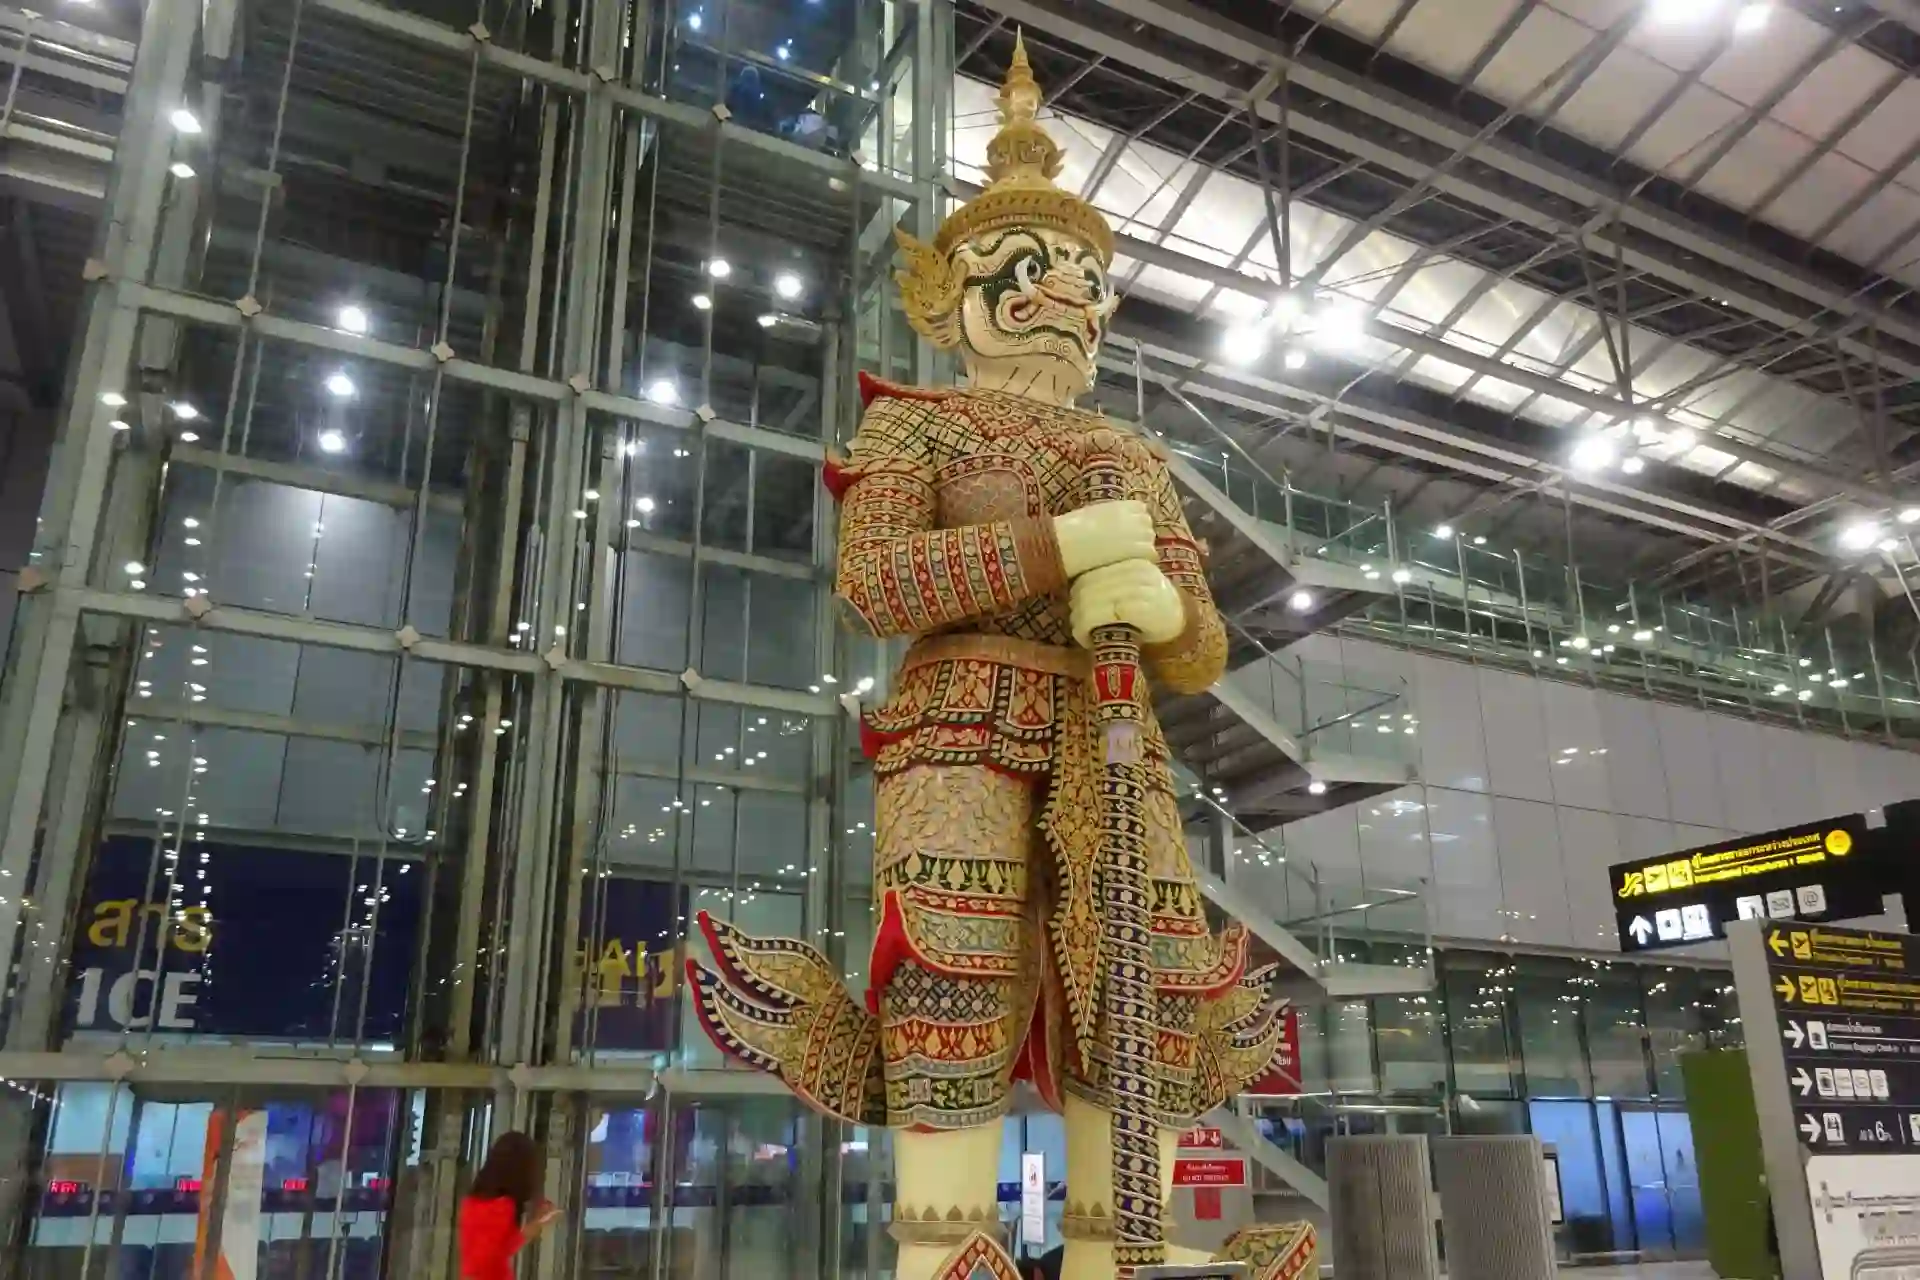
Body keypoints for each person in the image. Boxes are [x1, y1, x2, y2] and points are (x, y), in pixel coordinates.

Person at [685, 33, 1285, 1280]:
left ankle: (1120, 1246)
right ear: (947, 292)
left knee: (1143, 984)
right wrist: (1058, 544)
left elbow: (1202, 647)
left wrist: (1164, 610)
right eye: (1032, 266)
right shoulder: (919, 427)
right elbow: (876, 584)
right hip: (961, 721)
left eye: (1086, 275)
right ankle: (941, 1245)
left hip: (1111, 734)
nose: (1065, 292)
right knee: (953, 969)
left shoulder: (1134, 455)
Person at [458, 1131, 559, 1280]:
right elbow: (498, 1253)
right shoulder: (503, 1206)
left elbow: (494, 1250)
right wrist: (537, 1224)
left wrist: (537, 1223)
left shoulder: (470, 1202)